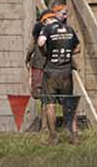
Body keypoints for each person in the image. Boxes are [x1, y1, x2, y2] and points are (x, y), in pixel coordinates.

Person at [37, 11, 81, 145]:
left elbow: (40, 43)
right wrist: (67, 53)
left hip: (51, 72)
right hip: (67, 72)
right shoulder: (69, 29)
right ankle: (74, 137)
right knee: (69, 105)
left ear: (45, 21)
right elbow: (78, 48)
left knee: (50, 104)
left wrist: (47, 52)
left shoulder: (47, 28)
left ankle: (53, 137)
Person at [25, 8, 53, 130]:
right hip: (45, 64)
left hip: (41, 64)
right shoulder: (51, 28)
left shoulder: (43, 28)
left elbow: (32, 44)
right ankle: (45, 125)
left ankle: (45, 126)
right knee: (43, 97)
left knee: (41, 96)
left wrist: (27, 58)